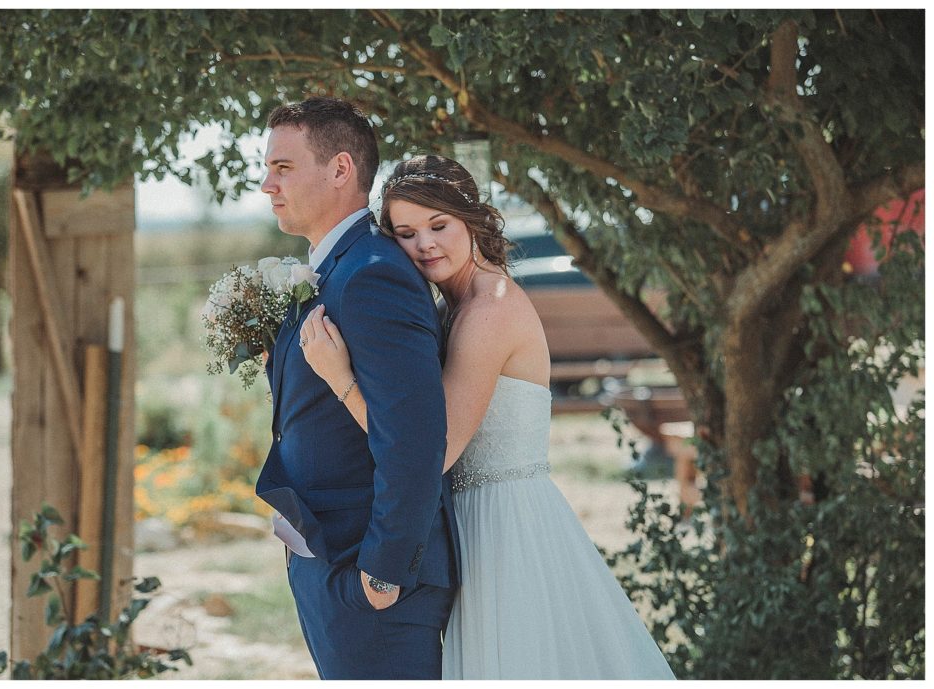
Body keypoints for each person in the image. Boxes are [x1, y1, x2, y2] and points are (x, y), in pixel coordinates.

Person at [299, 154, 677, 680]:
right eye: (405, 233)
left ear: (472, 221)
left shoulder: (489, 311)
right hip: (467, 518)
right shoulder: (453, 306)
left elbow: (440, 449)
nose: (424, 245)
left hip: (504, 524)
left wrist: (338, 378)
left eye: (439, 226)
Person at [253, 99, 459, 680]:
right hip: (327, 556)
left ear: (341, 170)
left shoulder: (372, 273)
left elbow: (416, 439)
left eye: (283, 168)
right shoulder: (337, 266)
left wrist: (382, 574)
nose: (266, 183)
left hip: (368, 576)